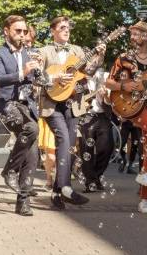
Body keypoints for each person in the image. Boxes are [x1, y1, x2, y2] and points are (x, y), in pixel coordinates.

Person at [37, 16, 102, 209]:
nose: (67, 31)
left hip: (73, 103)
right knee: (64, 139)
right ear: (53, 31)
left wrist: (99, 56)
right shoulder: (44, 51)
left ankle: (57, 194)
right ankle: (65, 186)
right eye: (62, 27)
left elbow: (88, 71)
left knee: (70, 145)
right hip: (51, 104)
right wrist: (56, 77)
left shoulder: (78, 51)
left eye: (68, 28)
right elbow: (38, 76)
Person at [105, 21, 147, 214]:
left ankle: (145, 198)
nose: (132, 37)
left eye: (136, 34)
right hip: (132, 106)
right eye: (131, 34)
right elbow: (108, 82)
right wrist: (123, 86)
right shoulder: (123, 58)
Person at [0, 15, 41, 216]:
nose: (22, 35)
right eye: (17, 31)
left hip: (27, 107)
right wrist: (22, 72)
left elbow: (37, 79)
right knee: (32, 129)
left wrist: (47, 77)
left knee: (32, 155)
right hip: (7, 106)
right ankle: (9, 170)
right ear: (6, 31)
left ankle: (23, 202)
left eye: (24, 31)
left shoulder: (29, 54)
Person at [79, 68, 114, 193]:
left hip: (103, 116)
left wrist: (105, 97)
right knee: (86, 151)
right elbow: (75, 101)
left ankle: (97, 176)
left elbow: (111, 103)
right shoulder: (80, 79)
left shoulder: (106, 77)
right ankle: (90, 181)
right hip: (86, 116)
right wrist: (92, 95)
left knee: (107, 147)